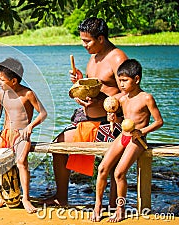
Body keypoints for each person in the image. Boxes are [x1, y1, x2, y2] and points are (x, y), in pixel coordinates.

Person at [45, 17, 128, 206]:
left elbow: (128, 95)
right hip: (89, 121)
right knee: (58, 146)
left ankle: (115, 205)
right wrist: (81, 82)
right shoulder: (94, 57)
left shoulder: (117, 58)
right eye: (82, 40)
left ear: (100, 39)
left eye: (87, 41)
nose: (84, 45)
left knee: (114, 163)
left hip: (111, 124)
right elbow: (96, 86)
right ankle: (61, 198)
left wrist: (102, 100)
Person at [91, 59, 163, 222]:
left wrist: (141, 131)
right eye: (119, 80)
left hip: (137, 140)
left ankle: (120, 209)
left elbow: (159, 122)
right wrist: (114, 118)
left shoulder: (146, 98)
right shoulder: (122, 99)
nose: (121, 84)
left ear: (136, 79)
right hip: (123, 136)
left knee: (119, 172)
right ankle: (98, 205)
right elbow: (124, 119)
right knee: (102, 168)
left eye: (125, 80)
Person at [0, 58, 47, 213]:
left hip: (21, 135)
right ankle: (4, 195)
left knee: (21, 162)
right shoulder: (1, 94)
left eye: (2, 79)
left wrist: (30, 127)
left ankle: (26, 198)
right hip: (4, 134)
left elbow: (43, 113)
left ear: (14, 80)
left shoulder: (27, 94)